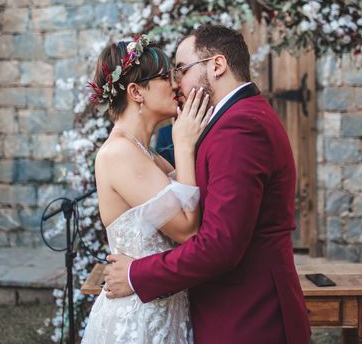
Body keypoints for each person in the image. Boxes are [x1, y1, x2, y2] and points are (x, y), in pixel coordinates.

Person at [104, 25, 311, 344]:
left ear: (217, 65)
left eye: (182, 70)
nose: (176, 84)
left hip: (250, 315)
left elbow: (219, 245)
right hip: (224, 311)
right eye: (169, 75)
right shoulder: (233, 120)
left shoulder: (240, 127)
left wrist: (136, 274)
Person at [81, 35, 212, 343]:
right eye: (166, 77)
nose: (177, 84)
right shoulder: (119, 154)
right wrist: (182, 144)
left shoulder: (145, 152)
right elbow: (187, 229)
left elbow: (191, 190)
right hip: (139, 319)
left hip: (166, 310)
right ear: (136, 91)